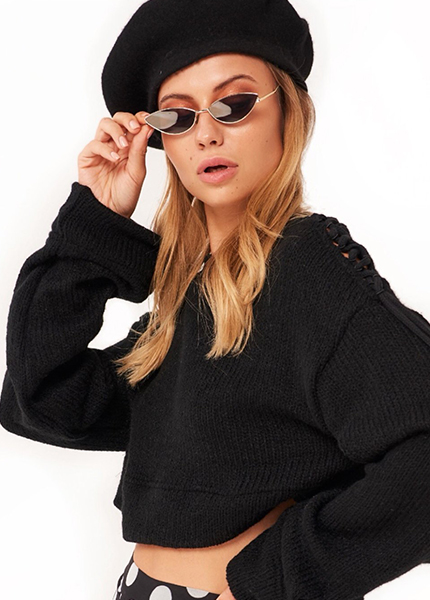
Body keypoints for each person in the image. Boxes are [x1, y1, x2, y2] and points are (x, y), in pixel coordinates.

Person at [1, 1, 430, 599]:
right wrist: (95, 220)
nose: (206, 132)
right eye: (177, 117)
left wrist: (276, 577)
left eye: (234, 103)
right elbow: (43, 397)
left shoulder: (309, 268)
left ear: (288, 114)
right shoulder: (197, 295)